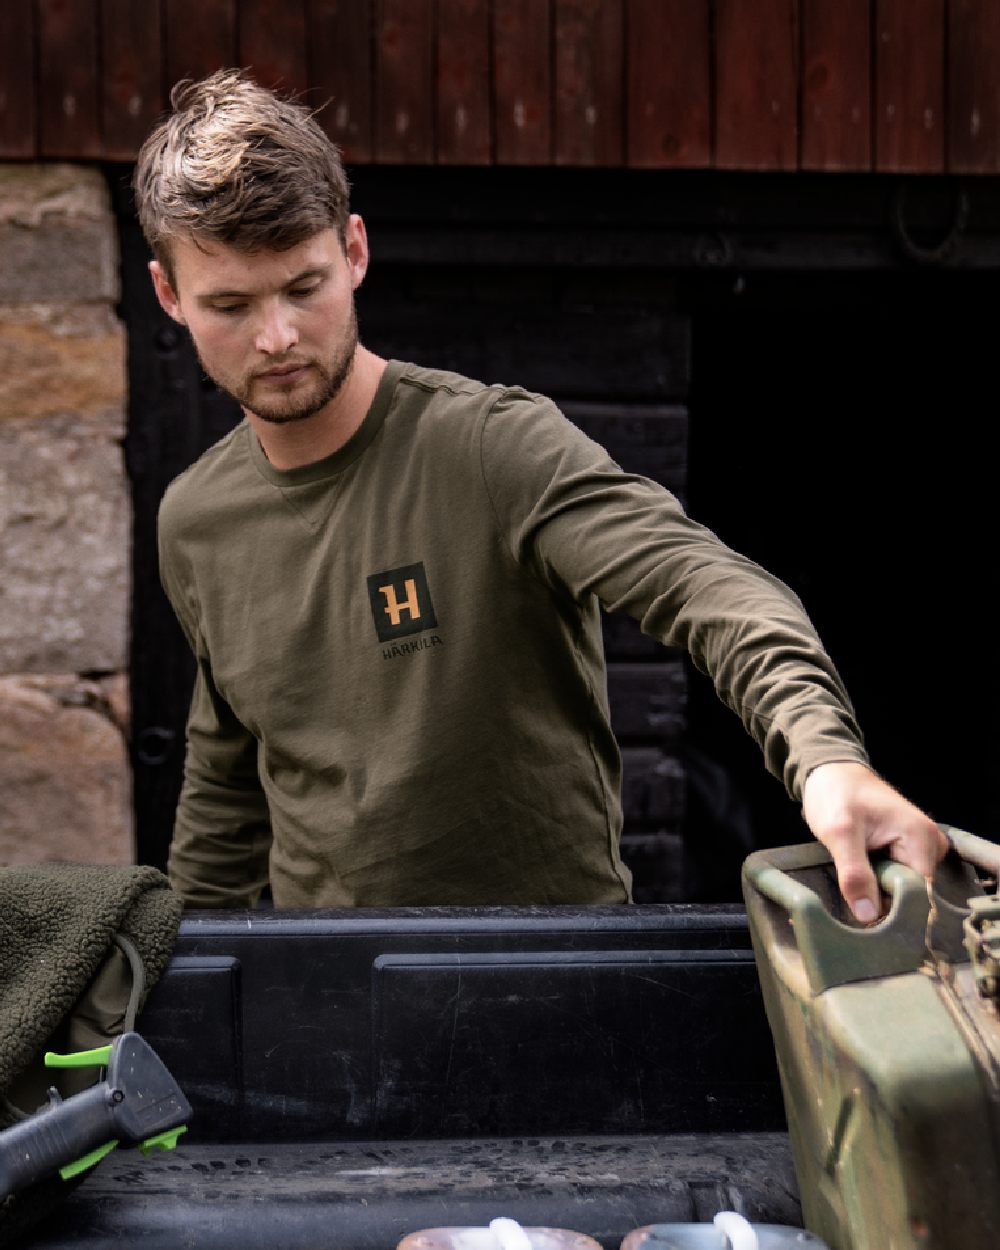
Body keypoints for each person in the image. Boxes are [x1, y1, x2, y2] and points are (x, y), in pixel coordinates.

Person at [134, 70, 947, 917]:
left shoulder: (493, 445)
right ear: (169, 296)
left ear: (355, 252)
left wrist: (826, 761)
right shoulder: (196, 521)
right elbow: (225, 788)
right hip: (334, 976)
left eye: (304, 288)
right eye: (230, 304)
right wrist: (189, 965)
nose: (276, 337)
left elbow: (706, 586)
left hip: (548, 963)